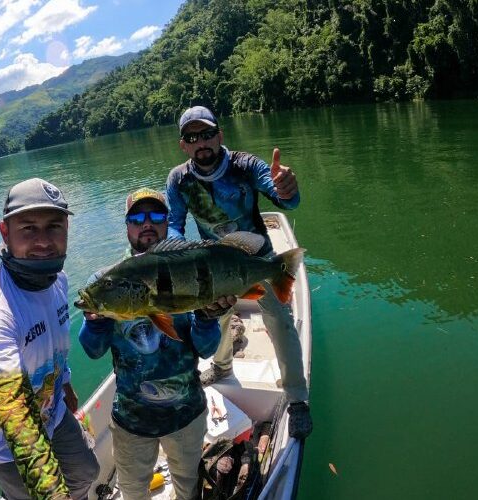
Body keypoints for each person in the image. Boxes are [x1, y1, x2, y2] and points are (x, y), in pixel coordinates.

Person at [165, 105, 312, 439]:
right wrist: (182, 254)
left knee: (278, 319)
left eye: (206, 134)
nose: (201, 142)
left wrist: (288, 190)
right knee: (217, 317)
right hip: (215, 267)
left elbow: (284, 200)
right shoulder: (179, 179)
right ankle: (221, 365)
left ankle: (297, 398)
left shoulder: (246, 165)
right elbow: (174, 224)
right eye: (192, 137)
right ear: (183, 145)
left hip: (259, 256)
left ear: (219, 135)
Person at [79, 188, 234, 500]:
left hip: (187, 415)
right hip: (131, 421)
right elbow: (93, 350)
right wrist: (97, 322)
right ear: (127, 226)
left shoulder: (187, 269)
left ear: (167, 223)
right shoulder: (105, 282)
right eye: (137, 217)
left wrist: (206, 317)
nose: (146, 223)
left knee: (188, 486)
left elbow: (205, 348)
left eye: (156, 216)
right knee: (134, 492)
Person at [0, 178, 99, 500]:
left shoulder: (58, 280)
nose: (43, 242)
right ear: (4, 233)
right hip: (2, 437)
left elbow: (53, 341)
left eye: (54, 227)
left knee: (86, 472)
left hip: (53, 407)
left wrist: (65, 384)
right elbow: (16, 420)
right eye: (28, 229)